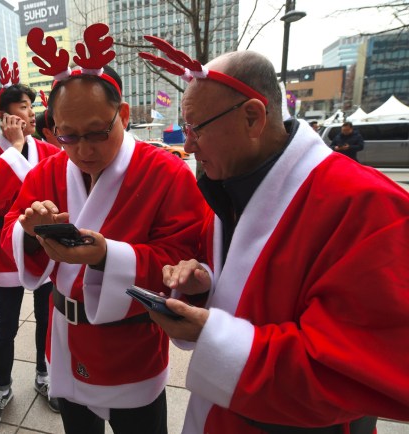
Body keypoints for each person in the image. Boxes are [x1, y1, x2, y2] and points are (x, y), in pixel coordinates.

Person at [139, 42, 409, 434]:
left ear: (252, 117)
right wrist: (201, 286)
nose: (188, 144)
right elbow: (239, 289)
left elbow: (356, 364)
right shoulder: (227, 186)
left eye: (196, 128)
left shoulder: (368, 205)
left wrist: (208, 334)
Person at [2, 24, 210, 434]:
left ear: (125, 115)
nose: (84, 150)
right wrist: (31, 231)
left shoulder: (165, 172)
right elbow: (15, 220)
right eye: (69, 136)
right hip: (65, 335)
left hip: (130, 342)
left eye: (98, 132)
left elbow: (184, 256)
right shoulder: (49, 171)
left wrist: (105, 256)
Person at [0, 58, 61, 433]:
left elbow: (57, 190)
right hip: (5, 252)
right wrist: (16, 148)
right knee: (5, 325)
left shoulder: (50, 151)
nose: (32, 111)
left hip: (46, 247)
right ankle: (2, 389)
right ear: (4, 115)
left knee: (47, 319)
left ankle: (44, 374)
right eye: (23, 106)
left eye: (30, 105)